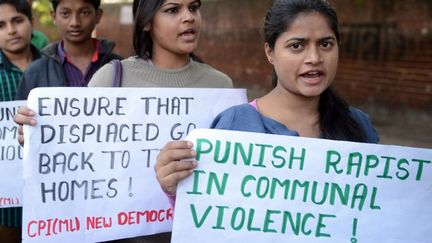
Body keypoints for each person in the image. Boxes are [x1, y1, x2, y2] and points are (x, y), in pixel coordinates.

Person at [15, 0, 232, 242]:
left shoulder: (221, 86)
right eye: (173, 10)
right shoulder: (112, 77)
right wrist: (39, 138)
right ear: (147, 22)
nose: (189, 17)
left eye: (193, 7)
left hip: (192, 232)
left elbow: (228, 177)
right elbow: (77, 157)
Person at [154, 0, 379, 204]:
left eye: (325, 44)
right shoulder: (235, 125)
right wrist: (175, 191)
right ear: (270, 52)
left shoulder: (358, 125)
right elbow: (209, 218)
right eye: (297, 46)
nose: (314, 58)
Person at [14, 0, 122, 145]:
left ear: (98, 15)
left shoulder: (120, 67)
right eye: (65, 13)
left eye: (84, 13)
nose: (75, 22)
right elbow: (19, 127)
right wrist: (22, 132)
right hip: (53, 163)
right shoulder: (35, 72)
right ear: (54, 16)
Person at [0, 0, 41, 241]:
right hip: (6, 210)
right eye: (1, 25)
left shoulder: (53, 66)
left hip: (50, 202)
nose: (11, 30)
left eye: (17, 20)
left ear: (31, 23)